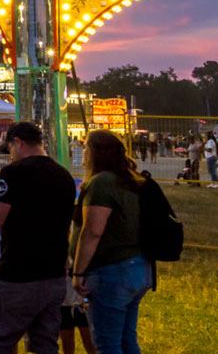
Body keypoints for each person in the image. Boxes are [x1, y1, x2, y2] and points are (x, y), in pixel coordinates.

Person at [0, 122, 76, 354]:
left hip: (17, 274)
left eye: (9, 148)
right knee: (44, 344)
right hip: (54, 275)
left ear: (18, 142)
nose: (10, 155)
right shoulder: (64, 176)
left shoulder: (13, 172)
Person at [70, 131, 151, 354]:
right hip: (136, 266)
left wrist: (78, 272)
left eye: (86, 148)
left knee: (107, 344)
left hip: (112, 271)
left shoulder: (101, 183)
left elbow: (93, 231)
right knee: (126, 339)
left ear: (95, 153)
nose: (83, 152)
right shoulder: (129, 179)